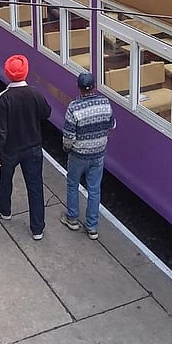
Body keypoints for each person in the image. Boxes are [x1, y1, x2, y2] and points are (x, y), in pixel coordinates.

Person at [0, 54, 51, 241]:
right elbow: (46, 113)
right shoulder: (36, 94)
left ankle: (5, 209)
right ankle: (37, 228)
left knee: (6, 179)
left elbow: (0, 130)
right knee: (35, 186)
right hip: (33, 147)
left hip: (10, 149)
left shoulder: (4, 98)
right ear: (26, 72)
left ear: (8, 74)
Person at [60, 72, 116, 240]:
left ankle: (72, 219)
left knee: (72, 184)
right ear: (94, 87)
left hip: (78, 155)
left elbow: (69, 137)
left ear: (79, 88)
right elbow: (112, 125)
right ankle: (92, 227)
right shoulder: (105, 103)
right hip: (98, 153)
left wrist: (66, 148)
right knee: (94, 189)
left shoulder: (74, 107)